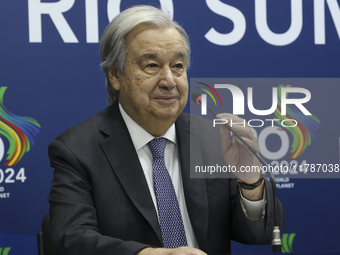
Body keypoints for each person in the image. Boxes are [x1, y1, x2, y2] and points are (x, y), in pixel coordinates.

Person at [48, 5, 285, 255]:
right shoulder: (77, 150)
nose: (169, 81)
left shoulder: (215, 138)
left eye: (178, 66)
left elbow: (260, 234)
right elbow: (71, 239)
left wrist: (249, 181)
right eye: (151, 65)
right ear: (116, 75)